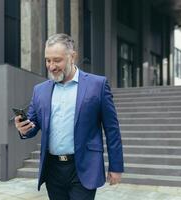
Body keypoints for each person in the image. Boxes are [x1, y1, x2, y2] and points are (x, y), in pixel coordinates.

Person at [15, 33, 124, 200]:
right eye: (48, 60)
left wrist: (116, 166)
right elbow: (33, 125)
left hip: (84, 167)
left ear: (73, 57)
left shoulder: (97, 85)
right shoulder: (40, 90)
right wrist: (23, 129)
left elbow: (112, 129)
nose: (51, 66)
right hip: (52, 169)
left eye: (57, 60)